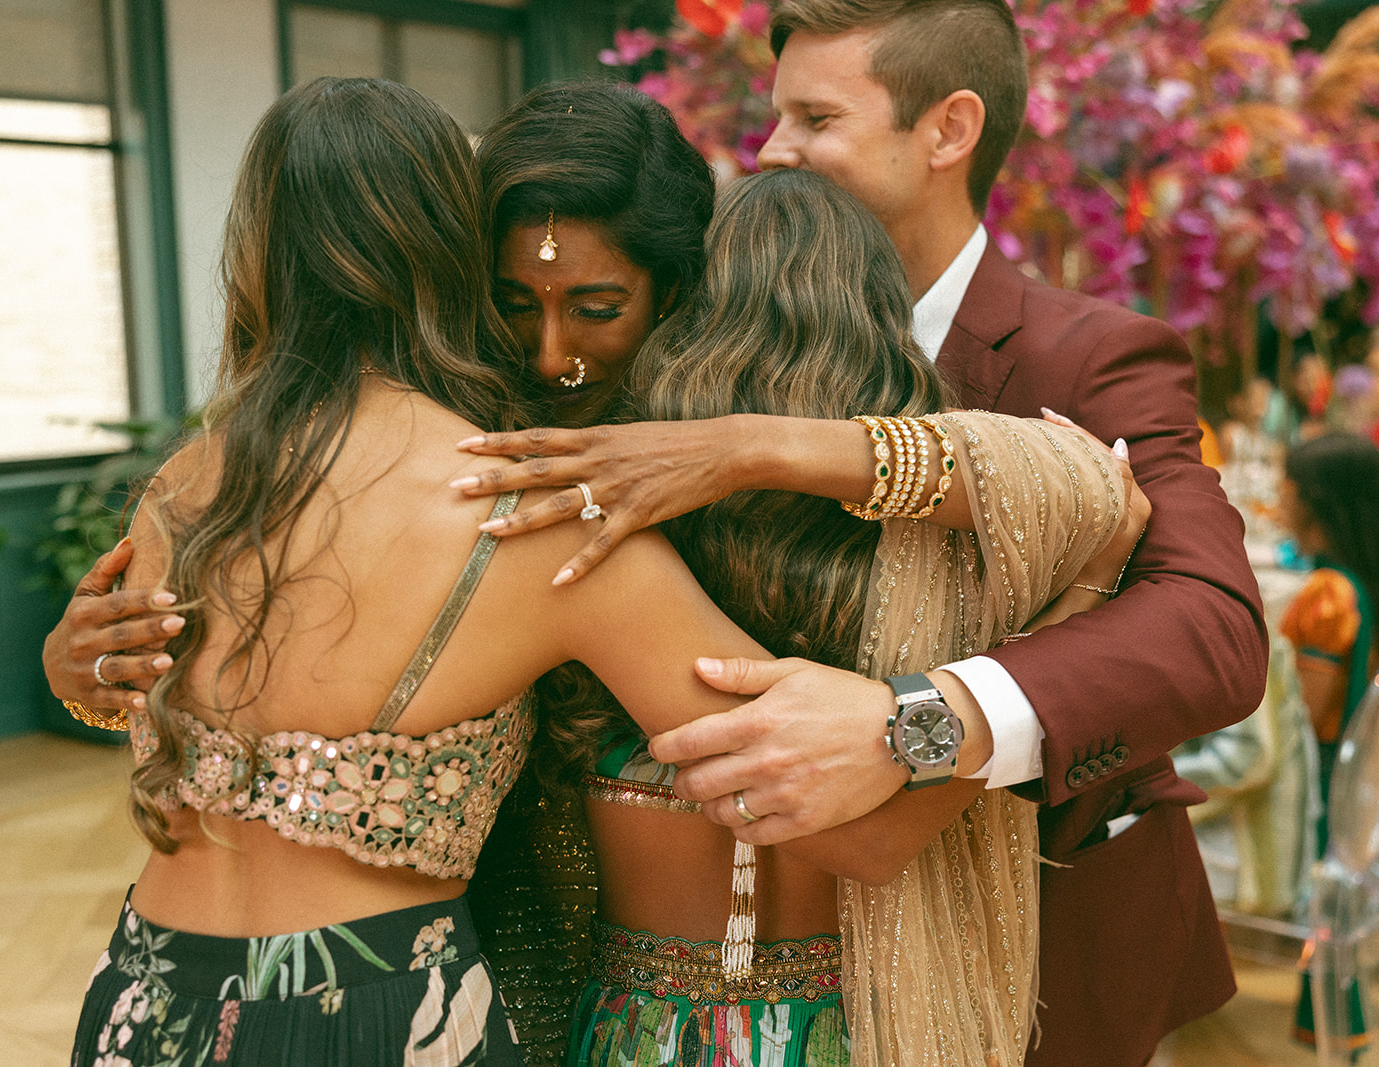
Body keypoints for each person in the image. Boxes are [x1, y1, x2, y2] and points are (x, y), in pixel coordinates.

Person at [448, 2, 1267, 1064]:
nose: (769, 150)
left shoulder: (1091, 358)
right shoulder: (689, 317)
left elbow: (1212, 630)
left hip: (1043, 961)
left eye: (813, 117)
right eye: (773, 115)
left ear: (946, 130)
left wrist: (915, 721)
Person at [68, 75, 801, 1065]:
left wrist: (80, 679)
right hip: (375, 1005)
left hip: (143, 991)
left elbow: (134, 697)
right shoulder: (527, 508)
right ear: (456, 254)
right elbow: (787, 758)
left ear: (255, 257)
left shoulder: (182, 487)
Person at [1277, 433, 1379, 1051]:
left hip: (1322, 763)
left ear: (1316, 503)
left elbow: (1304, 710)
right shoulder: (1355, 580)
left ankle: (1339, 1029)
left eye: (1289, 492)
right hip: (1354, 759)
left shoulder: (1327, 595)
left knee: (1327, 900)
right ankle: (1337, 1025)